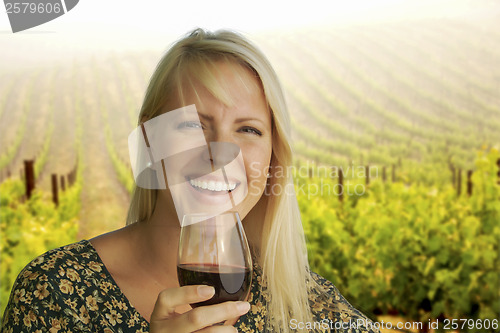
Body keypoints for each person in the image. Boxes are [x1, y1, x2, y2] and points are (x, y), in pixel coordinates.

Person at [1, 28, 379, 332]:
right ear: (151, 141)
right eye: (192, 125)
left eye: (248, 129)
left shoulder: (307, 306)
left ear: (271, 157)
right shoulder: (52, 295)